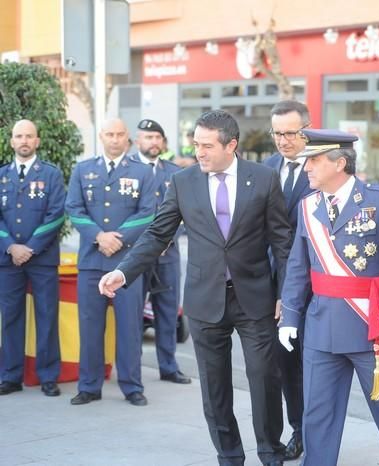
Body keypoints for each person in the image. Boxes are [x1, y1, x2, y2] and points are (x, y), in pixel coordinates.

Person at [98, 110, 291, 466]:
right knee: (215, 387)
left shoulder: (263, 179)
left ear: (231, 145)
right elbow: (158, 233)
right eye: (196, 144)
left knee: (264, 377)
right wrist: (124, 273)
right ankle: (229, 455)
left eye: (206, 145)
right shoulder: (183, 182)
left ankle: (270, 452)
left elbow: (282, 242)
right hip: (205, 300)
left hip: (255, 297)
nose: (198, 152)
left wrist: (286, 296)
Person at [279, 128, 379, 466]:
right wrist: (289, 316)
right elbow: (297, 267)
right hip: (320, 326)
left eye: (314, 160)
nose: (307, 168)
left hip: (370, 325)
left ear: (340, 163)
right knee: (317, 414)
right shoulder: (308, 207)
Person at [65, 118, 156, 407]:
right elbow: (73, 208)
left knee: (130, 327)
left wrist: (119, 239)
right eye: (109, 134)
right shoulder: (83, 169)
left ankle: (132, 386)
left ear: (127, 137)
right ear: (101, 137)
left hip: (127, 264)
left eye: (119, 134)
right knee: (90, 326)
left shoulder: (142, 172)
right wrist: (99, 236)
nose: (114, 139)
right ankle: (89, 386)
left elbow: (148, 212)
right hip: (92, 262)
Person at [261, 100, 313, 461]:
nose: (284, 140)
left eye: (291, 133)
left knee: (317, 365)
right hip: (271, 285)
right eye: (277, 133)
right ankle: (298, 430)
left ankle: (318, 430)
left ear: (306, 131)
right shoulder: (265, 170)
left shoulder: (325, 167)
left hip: (316, 284)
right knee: (285, 364)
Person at [0, 119, 66, 397]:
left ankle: (48, 376)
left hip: (42, 259)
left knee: (47, 316)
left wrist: (30, 247)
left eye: (29, 136)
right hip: (8, 260)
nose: (24, 141)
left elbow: (57, 215)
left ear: (37, 141)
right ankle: (10, 376)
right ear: (12, 141)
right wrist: (11, 246)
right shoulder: (2, 174)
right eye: (19, 136)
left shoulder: (51, 174)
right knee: (11, 318)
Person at [129, 118, 190, 384]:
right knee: (131, 313)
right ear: (137, 141)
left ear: (163, 142)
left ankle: (168, 367)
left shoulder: (175, 173)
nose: (153, 142)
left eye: (157, 138)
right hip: (136, 255)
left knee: (167, 312)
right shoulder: (126, 169)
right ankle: (132, 369)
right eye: (147, 137)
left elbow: (185, 214)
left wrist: (168, 239)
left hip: (168, 254)